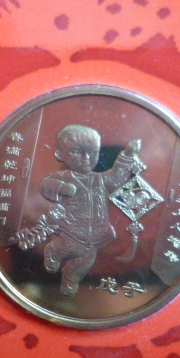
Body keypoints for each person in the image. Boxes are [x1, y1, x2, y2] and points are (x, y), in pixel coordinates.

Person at [40, 124, 141, 296]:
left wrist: (128, 154)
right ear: (59, 155)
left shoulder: (100, 179)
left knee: (85, 262)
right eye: (76, 151)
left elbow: (116, 178)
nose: (86, 158)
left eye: (93, 152)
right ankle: (53, 252)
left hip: (96, 233)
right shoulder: (62, 177)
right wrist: (61, 188)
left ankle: (71, 277)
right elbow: (45, 185)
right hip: (71, 230)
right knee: (69, 248)